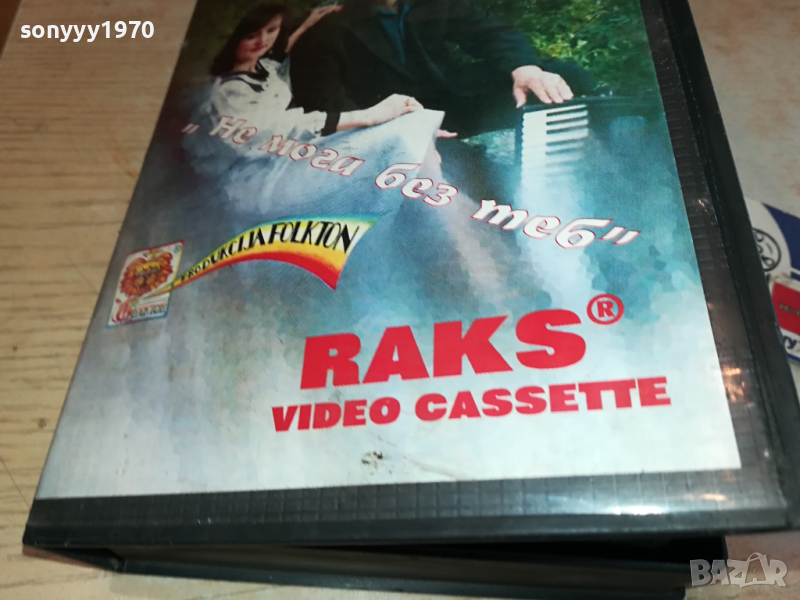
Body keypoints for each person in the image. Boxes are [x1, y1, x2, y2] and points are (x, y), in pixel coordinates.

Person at [289, 0, 596, 138]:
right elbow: (325, 103)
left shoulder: (431, 2)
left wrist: (524, 67)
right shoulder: (330, 22)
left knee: (562, 76)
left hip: (449, 99)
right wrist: (397, 133)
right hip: (388, 120)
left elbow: (489, 33)